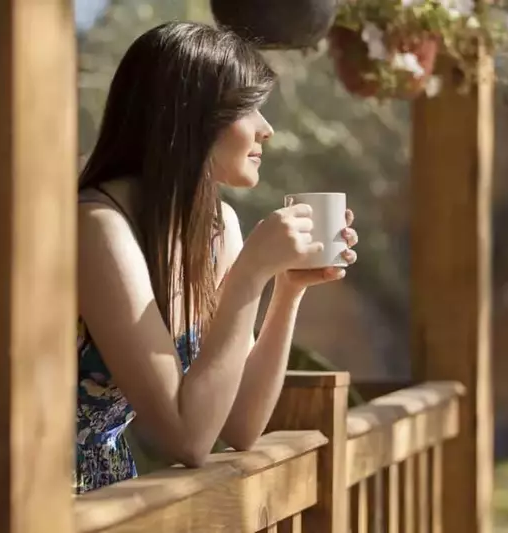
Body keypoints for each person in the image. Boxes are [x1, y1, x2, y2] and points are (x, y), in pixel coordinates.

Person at [74, 20, 357, 494]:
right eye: (251, 109)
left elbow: (242, 423)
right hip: (35, 496)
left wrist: (286, 287)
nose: (267, 130)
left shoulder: (216, 227)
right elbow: (186, 438)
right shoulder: (99, 228)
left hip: (111, 494)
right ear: (192, 118)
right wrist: (249, 273)